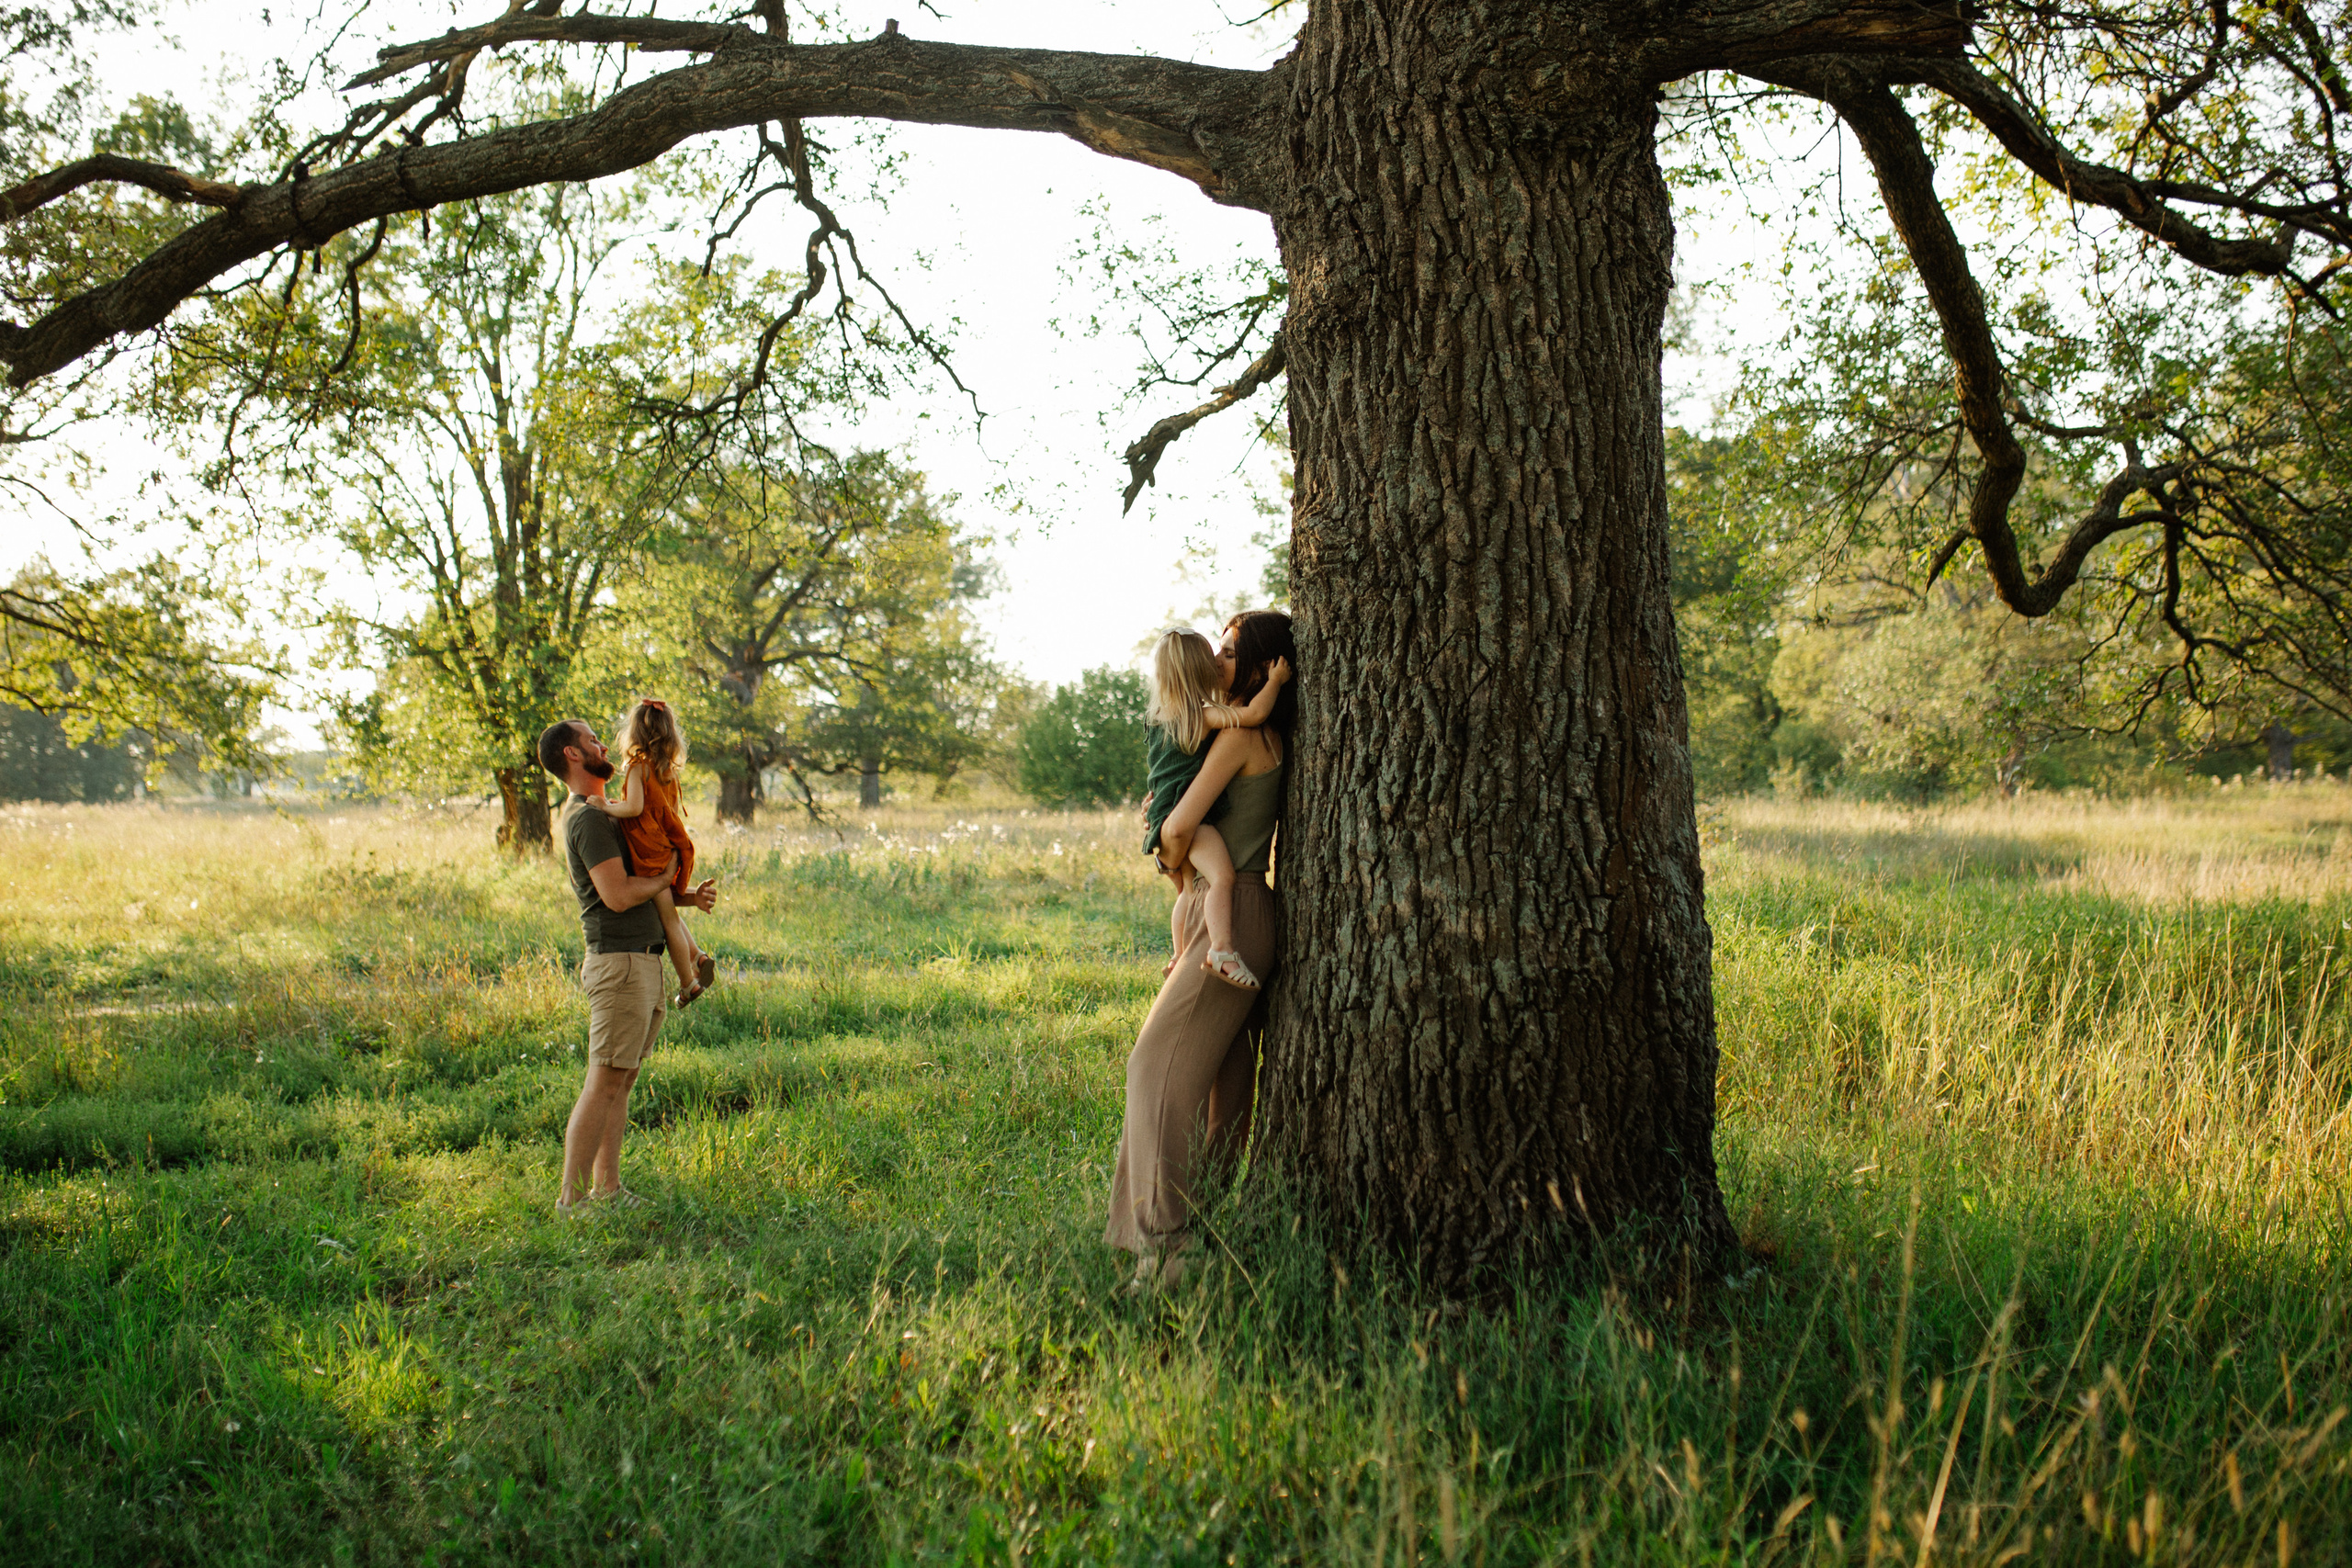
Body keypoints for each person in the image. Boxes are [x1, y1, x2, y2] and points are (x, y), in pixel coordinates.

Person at [1105, 609, 1295, 1292]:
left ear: (1255, 666)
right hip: (1242, 911)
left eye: (1229, 650)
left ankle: (1166, 1247)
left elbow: (1179, 828)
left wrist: (1164, 847)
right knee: (1226, 1088)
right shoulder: (1263, 734)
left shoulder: (1235, 740)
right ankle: (1200, 1230)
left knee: (1151, 1069)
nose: (1217, 658)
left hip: (1230, 911)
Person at [537, 716, 718, 1215]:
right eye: (591, 739)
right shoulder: (588, 818)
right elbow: (618, 897)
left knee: (621, 1080)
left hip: (642, 961)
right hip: (618, 965)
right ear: (573, 756)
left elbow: (643, 887)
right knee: (603, 1081)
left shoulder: (610, 813)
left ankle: (608, 1189)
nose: (602, 744)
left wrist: (677, 892)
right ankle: (571, 1200)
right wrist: (664, 878)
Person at [1140, 628, 1293, 990]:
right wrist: (1276, 681)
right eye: (1214, 655)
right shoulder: (1204, 715)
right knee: (1221, 879)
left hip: (1162, 810)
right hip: (1182, 817)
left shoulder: (1158, 719)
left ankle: (1178, 956)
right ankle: (1222, 949)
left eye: (1226, 654)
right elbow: (1253, 714)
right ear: (1199, 672)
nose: (1216, 662)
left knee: (1187, 892)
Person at [578, 698, 717, 1007]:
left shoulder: (638, 768)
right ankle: (698, 956)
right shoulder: (666, 771)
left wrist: (605, 805)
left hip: (649, 851)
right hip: (668, 845)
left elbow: (635, 808)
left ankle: (688, 984)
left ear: (634, 735)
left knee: (668, 919)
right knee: (669, 910)